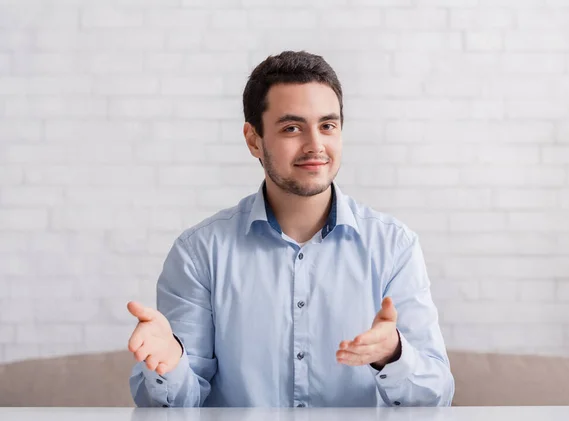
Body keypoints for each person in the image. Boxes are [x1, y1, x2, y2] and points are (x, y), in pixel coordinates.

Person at [127, 50, 454, 408]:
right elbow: (172, 407)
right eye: (292, 128)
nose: (316, 145)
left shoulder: (394, 247)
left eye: (327, 125)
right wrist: (170, 365)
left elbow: (436, 397)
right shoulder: (199, 253)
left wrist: (393, 354)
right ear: (254, 140)